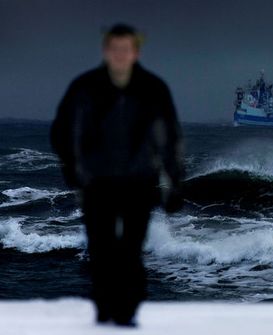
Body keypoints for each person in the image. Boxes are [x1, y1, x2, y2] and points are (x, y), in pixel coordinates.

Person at [50, 23, 184, 327]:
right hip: (98, 184)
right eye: (115, 49)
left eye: (127, 49)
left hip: (139, 183)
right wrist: (72, 170)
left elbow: (170, 137)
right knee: (100, 250)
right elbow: (61, 130)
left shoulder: (153, 88)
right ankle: (104, 309)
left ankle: (127, 313)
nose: (121, 55)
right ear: (105, 51)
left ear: (135, 52)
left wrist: (174, 182)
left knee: (131, 252)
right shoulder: (85, 87)